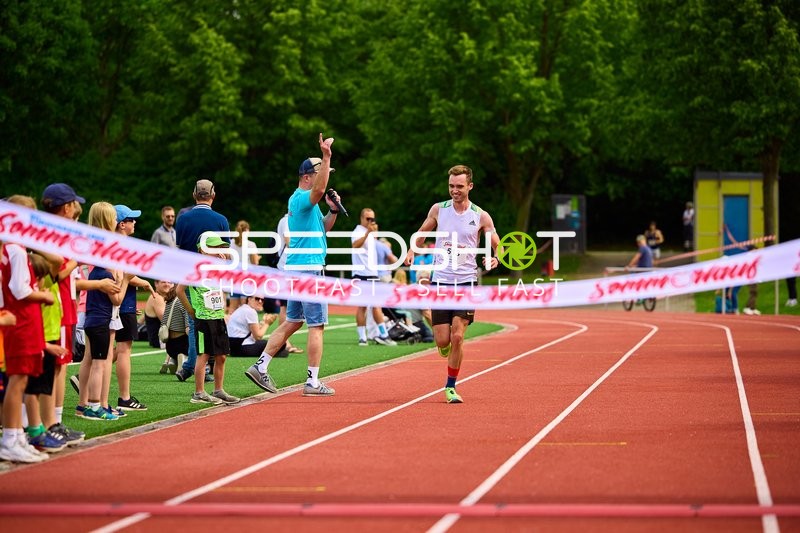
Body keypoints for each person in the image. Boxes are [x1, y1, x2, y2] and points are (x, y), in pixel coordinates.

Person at [245, 133, 339, 397]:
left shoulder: (303, 202)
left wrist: (332, 210)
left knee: (293, 322)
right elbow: (320, 189)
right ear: (307, 176)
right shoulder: (302, 197)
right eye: (321, 173)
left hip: (298, 268)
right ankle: (312, 381)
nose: (325, 178)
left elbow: (324, 229)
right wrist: (326, 155)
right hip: (309, 269)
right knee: (316, 325)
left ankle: (260, 366)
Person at [404, 165, 500, 404]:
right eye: (451, 186)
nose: (454, 190)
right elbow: (422, 233)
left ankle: (450, 387)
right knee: (443, 340)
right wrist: (411, 251)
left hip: (466, 283)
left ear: (470, 186)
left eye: (459, 186)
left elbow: (497, 242)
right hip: (440, 282)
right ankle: (444, 348)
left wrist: (495, 257)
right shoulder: (439, 209)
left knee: (458, 336)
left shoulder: (480, 215)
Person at [0, 196, 57, 463]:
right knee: (18, 380)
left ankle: (16, 437)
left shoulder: (11, 248)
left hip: (22, 322)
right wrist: (44, 296)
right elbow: (19, 290)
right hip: (21, 322)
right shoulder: (16, 250)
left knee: (20, 380)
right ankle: (11, 438)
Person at [173, 179, 231, 383]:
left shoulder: (183, 219)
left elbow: (179, 250)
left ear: (194, 195)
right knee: (214, 320)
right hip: (213, 278)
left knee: (195, 323)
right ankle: (202, 365)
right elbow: (226, 252)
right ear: (213, 195)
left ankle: (194, 364)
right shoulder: (221, 220)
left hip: (190, 275)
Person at [176, 233, 240, 405]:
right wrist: (191, 311)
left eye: (220, 248)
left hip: (218, 316)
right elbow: (179, 290)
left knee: (222, 356)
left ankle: (218, 390)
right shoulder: (195, 269)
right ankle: (199, 392)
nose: (219, 251)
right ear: (202, 250)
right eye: (215, 248)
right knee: (203, 355)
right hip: (203, 318)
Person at [113, 205, 153, 411]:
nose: (134, 222)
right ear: (122, 224)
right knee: (124, 351)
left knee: (114, 351)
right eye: (131, 219)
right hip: (122, 302)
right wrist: (143, 281)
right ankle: (124, 397)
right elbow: (125, 275)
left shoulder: (112, 243)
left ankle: (86, 378)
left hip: (122, 302)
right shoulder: (121, 245)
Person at [351, 209, 397, 347]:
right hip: (361, 273)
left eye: (372, 219)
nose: (371, 221)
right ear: (362, 218)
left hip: (372, 273)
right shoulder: (357, 232)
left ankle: (383, 334)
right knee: (363, 307)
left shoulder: (371, 234)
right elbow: (355, 246)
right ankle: (362, 337)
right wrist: (367, 233)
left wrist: (373, 234)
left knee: (376, 305)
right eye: (368, 218)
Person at [227, 220, 260, 315]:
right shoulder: (251, 244)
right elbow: (255, 263)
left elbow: (228, 259)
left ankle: (228, 328)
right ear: (247, 230)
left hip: (234, 277)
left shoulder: (230, 243)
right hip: (247, 277)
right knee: (245, 306)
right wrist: (257, 258)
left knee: (232, 308)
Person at [160, 285, 190, 375]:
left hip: (169, 346)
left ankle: (172, 361)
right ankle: (183, 358)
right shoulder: (184, 302)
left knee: (175, 351)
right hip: (182, 344)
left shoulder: (169, 301)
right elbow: (188, 329)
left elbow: (163, 323)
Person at [742, 245, 761, 316]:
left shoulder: (753, 256)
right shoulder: (749, 256)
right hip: (750, 278)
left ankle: (753, 308)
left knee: (755, 292)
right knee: (753, 292)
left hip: (755, 277)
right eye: (755, 249)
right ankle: (747, 307)